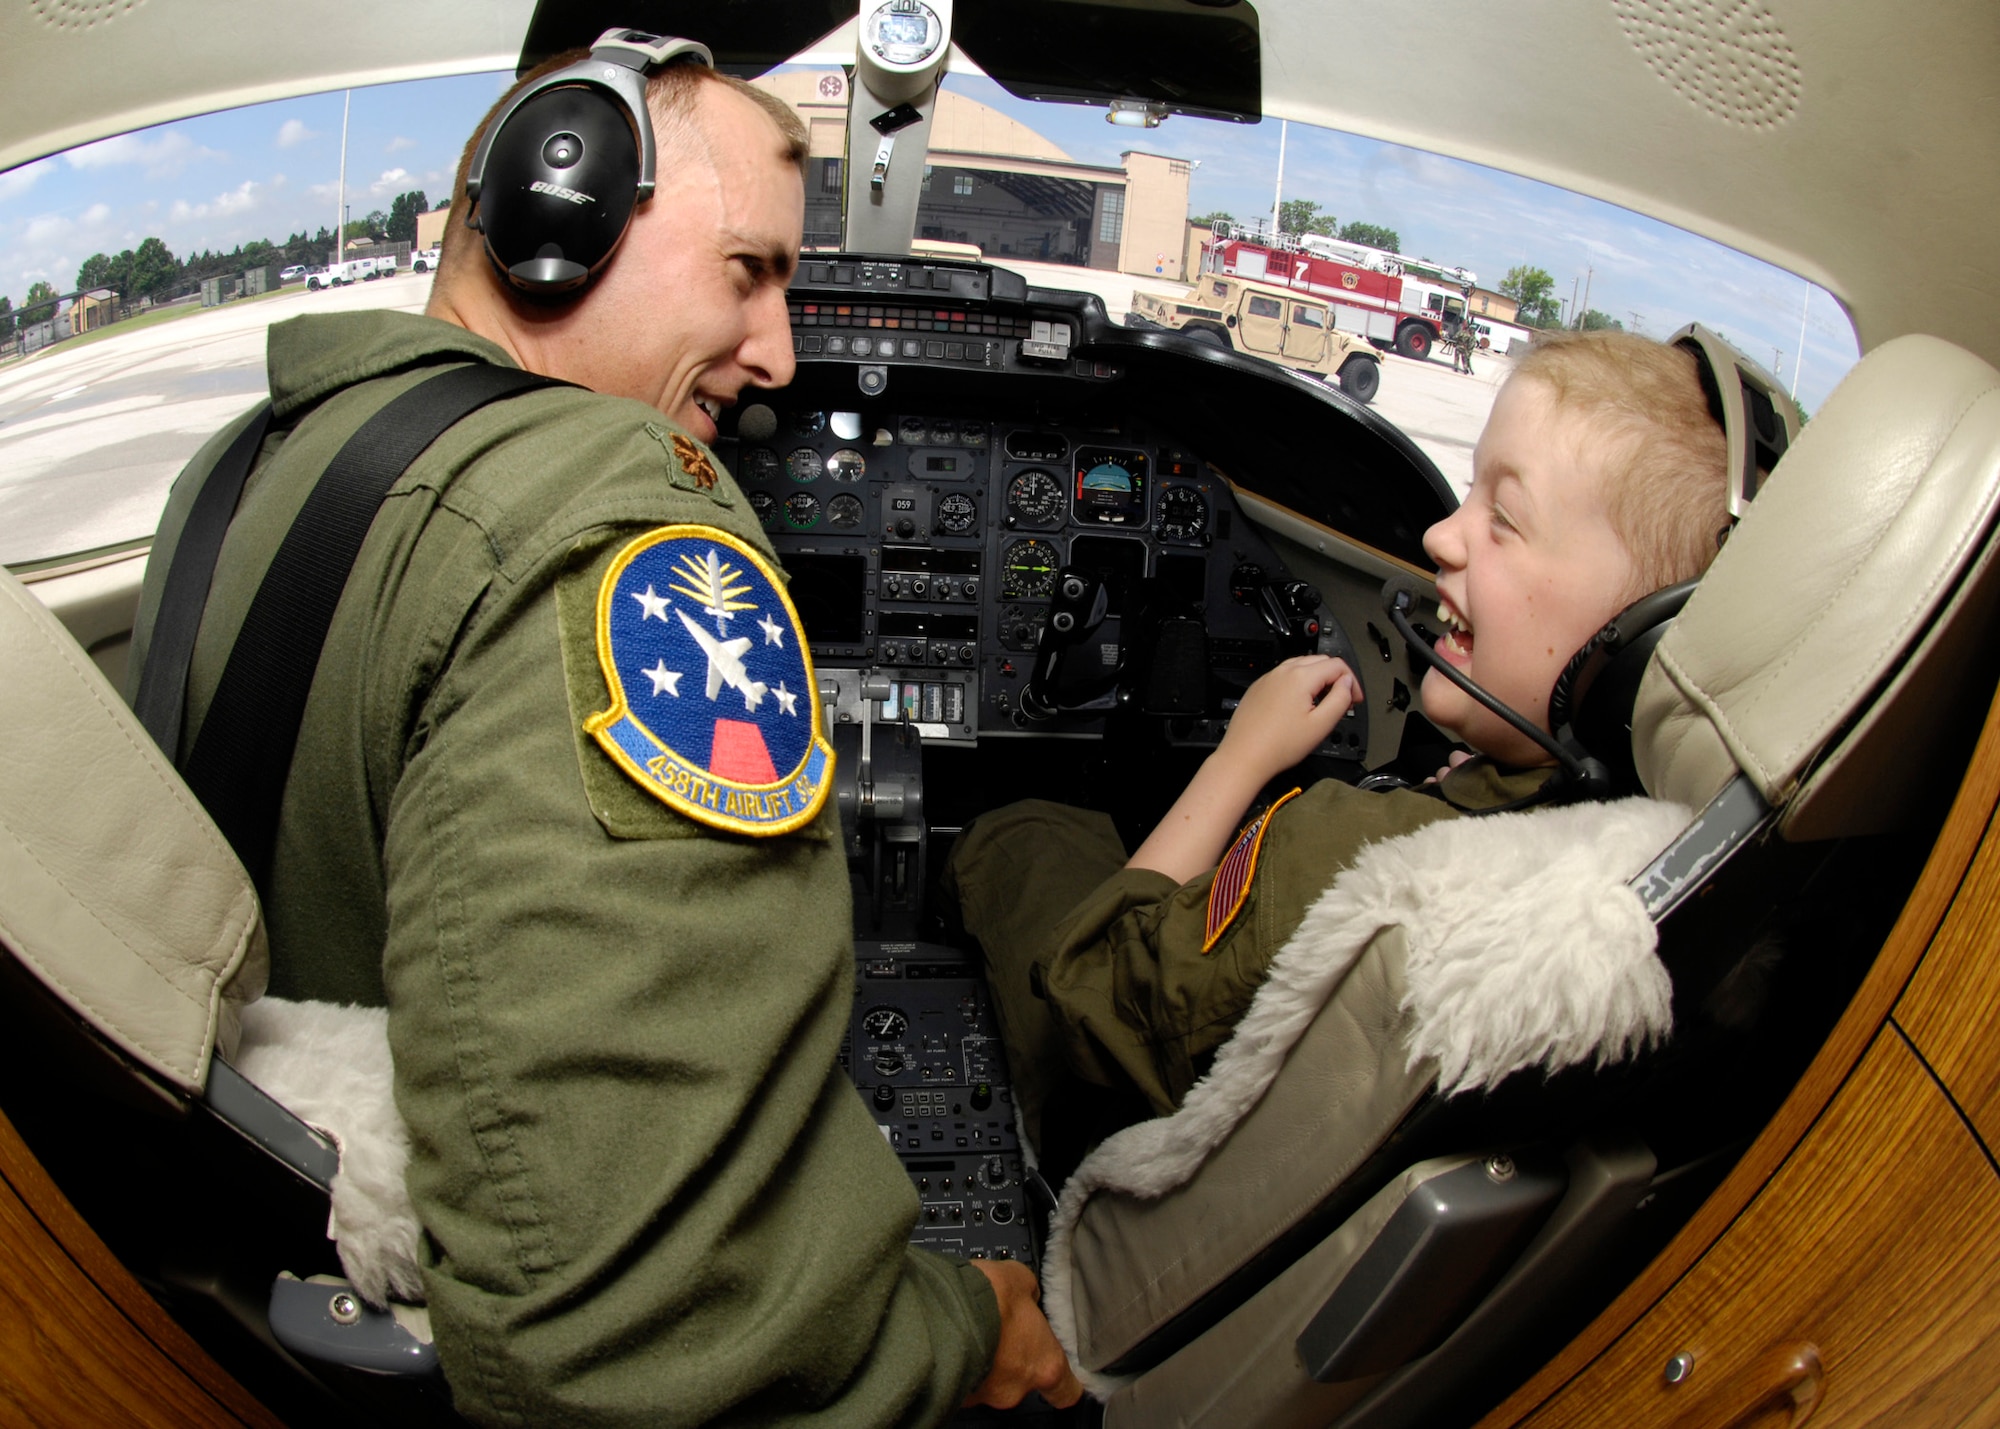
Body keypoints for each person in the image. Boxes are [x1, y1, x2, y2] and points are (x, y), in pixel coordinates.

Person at [127, 44, 1079, 1428]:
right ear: (554, 210)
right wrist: (957, 1332)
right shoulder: (614, 518)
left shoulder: (238, 469)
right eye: (748, 269)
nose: (781, 355)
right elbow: (635, 1334)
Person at [945, 328, 1733, 1159]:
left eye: (1502, 517)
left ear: (1642, 642)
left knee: (1022, 829)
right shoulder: (1660, 849)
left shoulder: (1339, 848)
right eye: (1468, 493)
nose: (1440, 536)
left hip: (1116, 1119)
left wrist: (1241, 754)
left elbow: (1089, 994)